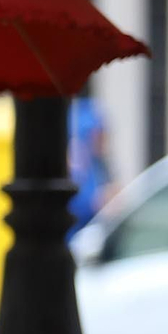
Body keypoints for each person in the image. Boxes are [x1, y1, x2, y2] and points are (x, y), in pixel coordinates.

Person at [68, 95, 114, 239]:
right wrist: (97, 202)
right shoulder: (78, 160)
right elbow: (75, 201)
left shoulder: (99, 163)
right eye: (99, 135)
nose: (103, 141)